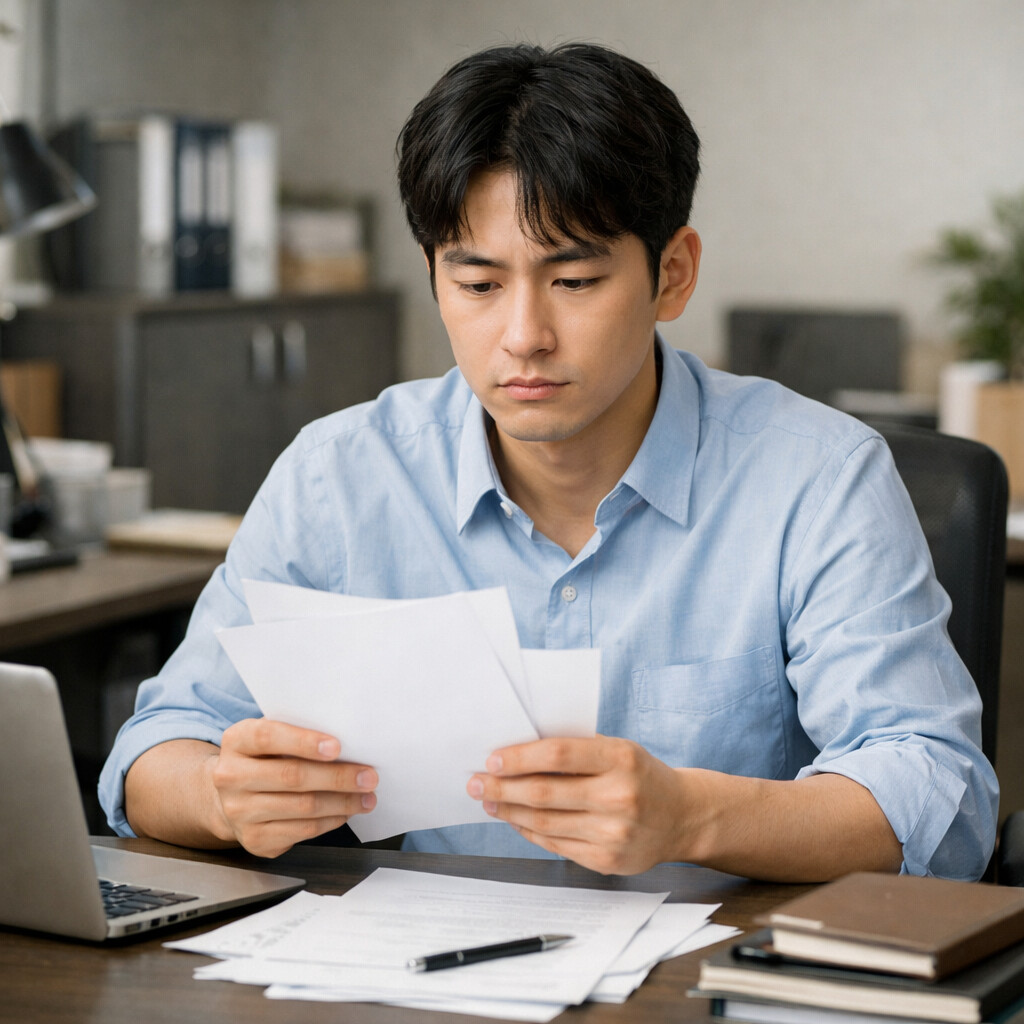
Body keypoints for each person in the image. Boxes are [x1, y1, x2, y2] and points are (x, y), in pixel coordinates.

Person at [99, 42, 997, 882]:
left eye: (573, 282)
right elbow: (153, 752)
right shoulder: (341, 476)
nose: (523, 335)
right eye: (479, 284)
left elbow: (938, 797)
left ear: (673, 274)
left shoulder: (818, 477)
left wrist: (691, 818)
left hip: (722, 969)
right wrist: (221, 795)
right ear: (434, 276)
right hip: (428, 966)